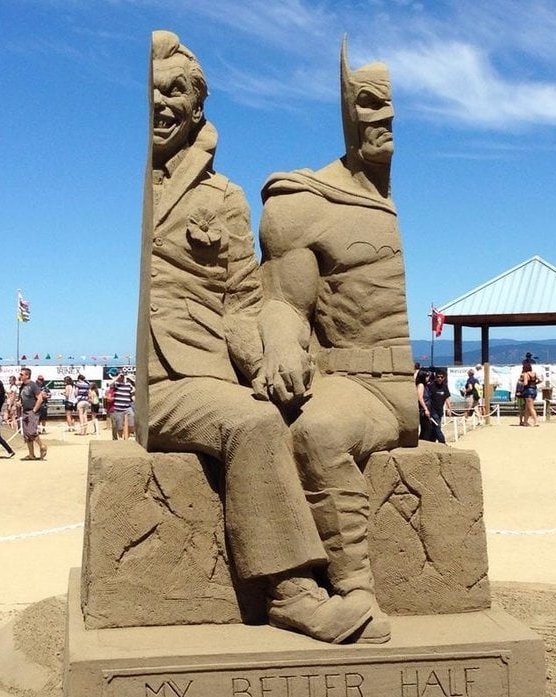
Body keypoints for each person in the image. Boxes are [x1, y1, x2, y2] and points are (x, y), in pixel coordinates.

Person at [134, 30, 375, 645]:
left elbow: (242, 302)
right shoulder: (140, 182)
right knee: (253, 425)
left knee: (286, 413)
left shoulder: (226, 197)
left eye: (178, 92)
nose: (163, 102)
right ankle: (291, 594)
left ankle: (352, 583)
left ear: (197, 109)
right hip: (162, 381)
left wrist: (269, 362)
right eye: (154, 90)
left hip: (212, 371)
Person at [257, 39, 418, 642]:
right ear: (348, 113)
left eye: (391, 109)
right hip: (350, 383)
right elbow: (281, 302)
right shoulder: (306, 202)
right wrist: (278, 344)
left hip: (397, 388)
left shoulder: (383, 200)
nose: (386, 121)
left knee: (321, 429)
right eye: (371, 105)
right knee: (318, 432)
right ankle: (356, 594)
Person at [18, 367, 47, 461]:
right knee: (26, 434)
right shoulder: (22, 386)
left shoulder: (33, 385)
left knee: (31, 431)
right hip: (25, 411)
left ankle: (42, 446)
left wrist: (34, 410)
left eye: (22, 374)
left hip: (32, 411)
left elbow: (40, 398)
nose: (20, 376)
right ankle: (31, 454)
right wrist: (19, 403)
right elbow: (22, 398)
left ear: (27, 375)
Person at [425, 369, 452, 443]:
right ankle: (442, 441)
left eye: (441, 377)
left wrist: (449, 408)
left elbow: (447, 397)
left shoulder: (444, 386)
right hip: (432, 410)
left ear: (444, 378)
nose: (440, 378)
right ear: (436, 377)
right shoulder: (431, 386)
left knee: (435, 427)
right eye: (438, 377)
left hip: (440, 410)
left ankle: (432, 441)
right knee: (437, 426)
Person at [112, 371, 134, 440]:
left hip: (127, 407)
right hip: (118, 408)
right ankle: (122, 438)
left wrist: (132, 379)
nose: (122, 377)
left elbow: (136, 388)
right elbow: (110, 384)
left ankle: (127, 436)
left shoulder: (128, 384)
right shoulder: (116, 384)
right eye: (120, 376)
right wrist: (117, 377)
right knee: (119, 428)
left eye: (123, 375)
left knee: (132, 423)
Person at [520, 360, 541, 427]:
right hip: (534, 390)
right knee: (527, 407)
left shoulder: (526, 374)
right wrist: (535, 383)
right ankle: (525, 422)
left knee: (531, 407)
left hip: (528, 391)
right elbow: (540, 380)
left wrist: (521, 383)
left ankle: (536, 421)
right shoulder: (534, 373)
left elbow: (525, 383)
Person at [416, 369, 434, 441]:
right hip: (423, 410)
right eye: (426, 376)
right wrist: (425, 409)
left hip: (426, 408)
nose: (428, 378)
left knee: (425, 429)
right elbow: (420, 398)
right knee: (427, 428)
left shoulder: (425, 385)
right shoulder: (421, 385)